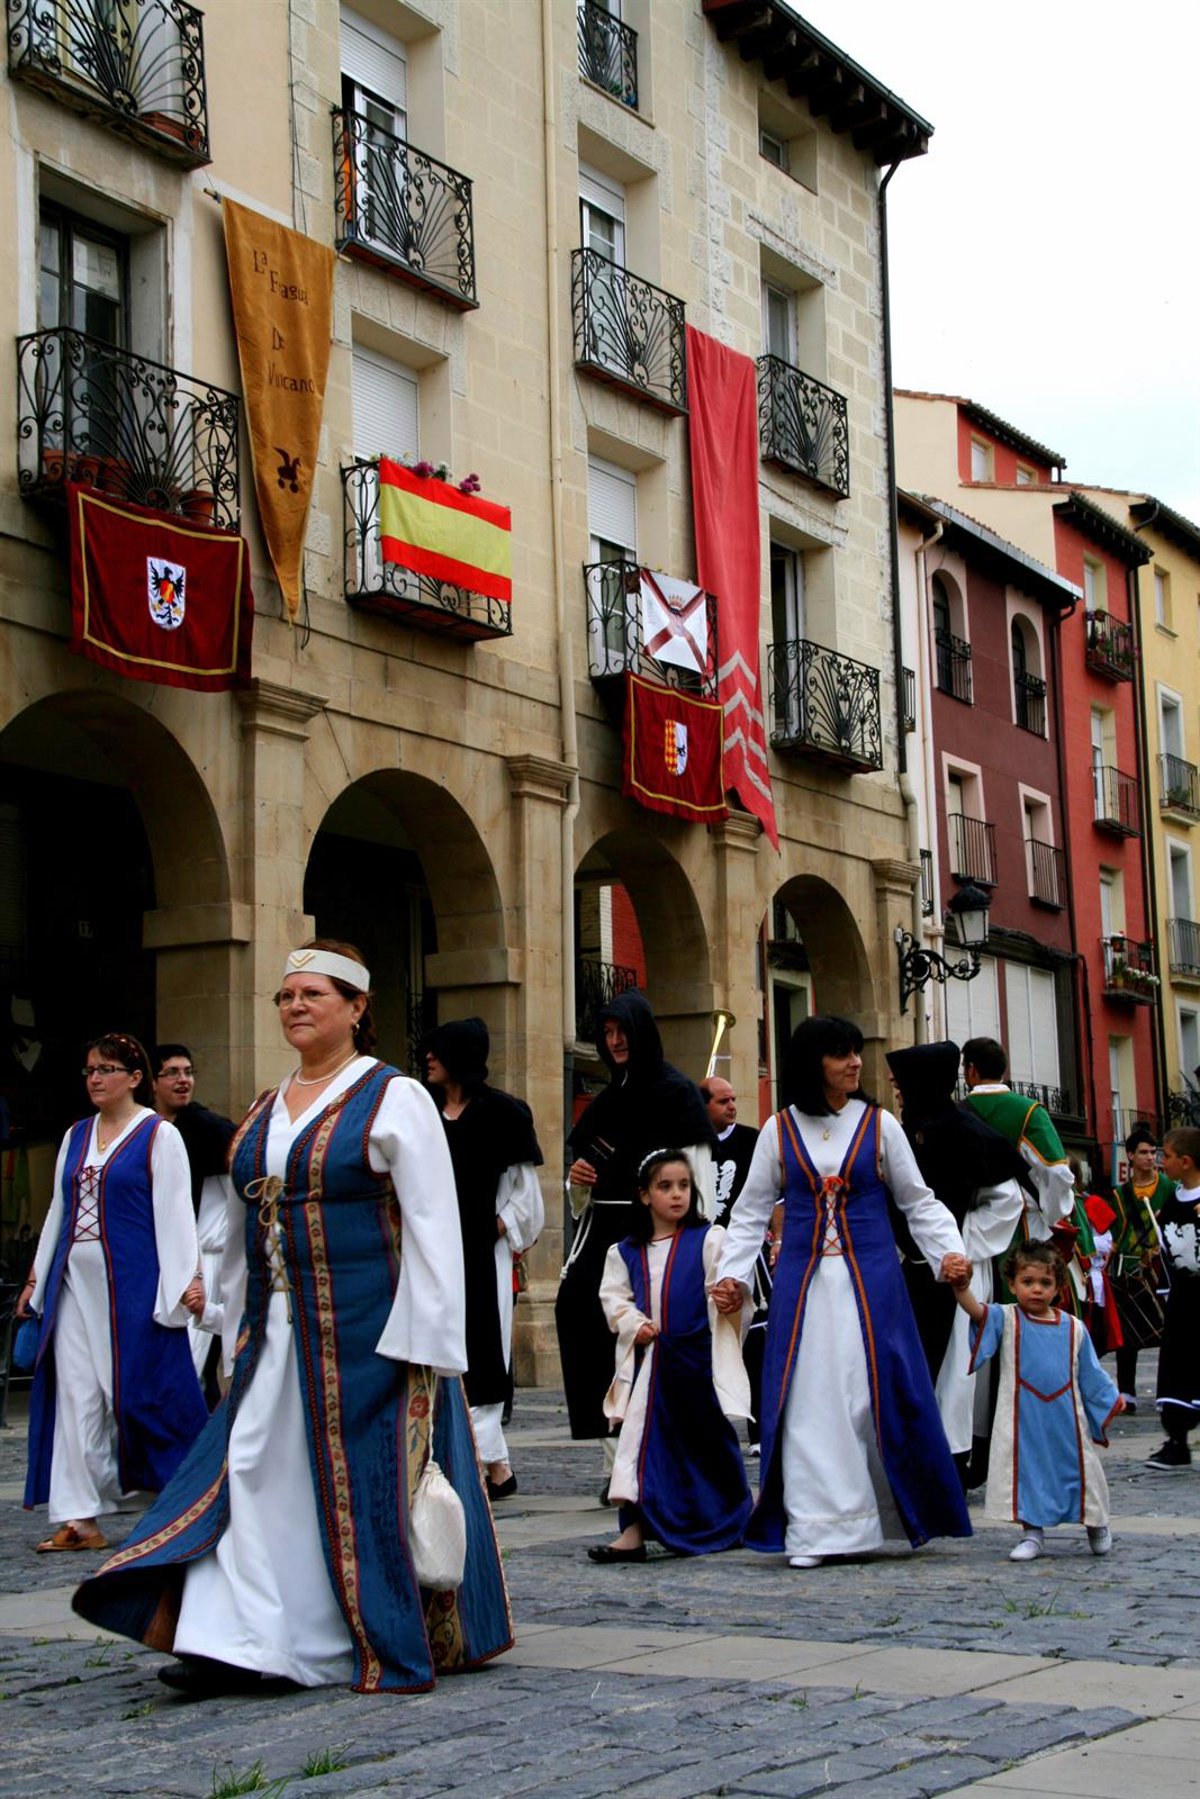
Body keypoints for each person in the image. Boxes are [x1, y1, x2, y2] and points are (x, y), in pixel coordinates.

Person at [73, 940, 512, 1696]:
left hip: (368, 1336)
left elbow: (434, 1225)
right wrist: (230, 1321)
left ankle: (325, 1638)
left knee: (348, 1490)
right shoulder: (266, 1104)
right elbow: (246, 1220)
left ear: (356, 1006)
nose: (295, 1006)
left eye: (312, 993)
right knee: (250, 1471)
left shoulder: (393, 1096)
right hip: (275, 1332)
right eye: (285, 995)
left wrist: (427, 1346)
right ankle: (235, 1638)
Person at [711, 1015, 971, 1569]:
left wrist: (948, 1252)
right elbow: (750, 1212)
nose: (855, 1062)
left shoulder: (880, 1126)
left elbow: (918, 1201)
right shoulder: (780, 1130)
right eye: (841, 1054)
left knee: (866, 1397)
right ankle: (814, 1529)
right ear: (813, 1064)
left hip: (872, 1288)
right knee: (807, 1403)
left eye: (855, 1051)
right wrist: (732, 1274)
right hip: (803, 1290)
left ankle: (872, 1517)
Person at [18, 1033, 206, 1554]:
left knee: (139, 1393)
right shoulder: (76, 1135)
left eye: (105, 1069)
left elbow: (175, 1212)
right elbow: (58, 1210)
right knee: (75, 1393)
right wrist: (36, 1278)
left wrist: (185, 1280)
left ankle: (187, 1496)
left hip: (132, 1284)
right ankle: (80, 1519)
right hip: (72, 1284)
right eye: (90, 1070)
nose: (95, 1079)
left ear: (134, 1077)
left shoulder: (158, 1134)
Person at [557, 990, 716, 1492]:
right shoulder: (606, 1101)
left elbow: (698, 1180)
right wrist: (577, 1181)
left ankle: (657, 1460)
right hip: (605, 1238)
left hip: (657, 1239)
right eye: (606, 1033)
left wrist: (692, 1242)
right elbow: (582, 1185)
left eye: (622, 1031)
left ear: (641, 1032)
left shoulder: (677, 1093)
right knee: (588, 1327)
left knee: (648, 1345)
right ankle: (616, 1461)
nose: (614, 1041)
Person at [589, 1149, 752, 1563]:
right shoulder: (625, 1252)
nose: (677, 1194)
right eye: (665, 1186)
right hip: (653, 1366)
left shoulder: (708, 1240)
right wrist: (635, 1323)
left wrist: (731, 1297)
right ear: (644, 1195)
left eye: (683, 1186)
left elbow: (728, 1285)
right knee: (641, 1445)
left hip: (697, 1364)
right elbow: (615, 1299)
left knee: (708, 1444)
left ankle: (728, 1517)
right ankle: (633, 1531)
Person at [884, 1042, 1024, 1479]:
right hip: (907, 1268)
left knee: (954, 1372)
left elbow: (1007, 1201)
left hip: (958, 1271)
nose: (896, 1091)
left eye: (901, 1084)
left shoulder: (970, 1134)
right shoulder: (902, 1133)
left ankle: (950, 1460)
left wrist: (954, 1245)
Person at [420, 1016, 544, 1502]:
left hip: (481, 1256)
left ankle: (476, 1464)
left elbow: (525, 1198)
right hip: (429, 1254)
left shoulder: (503, 1114)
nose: (428, 1058)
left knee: (483, 1356)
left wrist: (489, 1229)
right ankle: (495, 1469)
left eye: (439, 1049)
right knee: (434, 1352)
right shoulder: (422, 1111)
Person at [947, 1241, 1122, 1560]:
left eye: (1045, 1282)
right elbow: (976, 1311)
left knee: (1083, 1472)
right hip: (1023, 1422)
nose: (1036, 1289)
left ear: (1058, 1287)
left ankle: (1096, 1523)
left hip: (1067, 1423)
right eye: (1027, 1282)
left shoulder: (1074, 1328)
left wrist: (1110, 1400)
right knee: (1028, 1474)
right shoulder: (1006, 1319)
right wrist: (961, 1288)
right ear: (1012, 1284)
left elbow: (1091, 1374)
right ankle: (1032, 1534)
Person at [153, 1043, 236, 1406]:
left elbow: (246, 1187)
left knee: (190, 1362)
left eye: (188, 1072)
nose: (183, 1080)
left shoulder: (209, 1129)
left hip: (205, 1258)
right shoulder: (148, 1128)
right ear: (152, 1082)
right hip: (161, 1258)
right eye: (172, 1072)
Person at [703, 1074, 772, 1452]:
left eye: (733, 1099)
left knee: (756, 1339)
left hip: (745, 1252)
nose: (732, 1106)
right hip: (702, 1253)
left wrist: (778, 1240)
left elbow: (772, 1197)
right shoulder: (690, 1143)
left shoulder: (752, 1140)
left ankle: (759, 1428)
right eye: (722, 1101)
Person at [960, 1038, 1074, 1243]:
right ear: (1002, 1070)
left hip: (971, 1233)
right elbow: (1056, 1171)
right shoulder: (1031, 1112)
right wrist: (1052, 1213)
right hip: (1024, 1228)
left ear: (972, 1070)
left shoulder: (956, 1115)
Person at [1146, 1126, 1199, 1471]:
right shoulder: (1172, 1200)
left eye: (1166, 1156)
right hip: (1182, 1298)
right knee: (1177, 1364)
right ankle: (1177, 1440)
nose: (1160, 1162)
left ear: (1186, 1161)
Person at [1108, 1125, 1170, 1411]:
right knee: (1128, 1333)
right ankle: (1127, 1393)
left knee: (1168, 1332)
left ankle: (1167, 1391)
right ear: (1130, 1155)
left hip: (1161, 1269)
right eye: (1143, 1152)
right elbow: (1112, 1233)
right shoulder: (1120, 1194)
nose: (1149, 1157)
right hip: (1128, 1269)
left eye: (1153, 1152)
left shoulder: (1169, 1189)